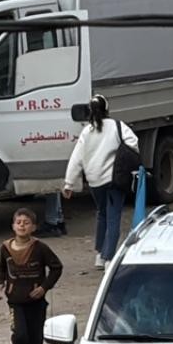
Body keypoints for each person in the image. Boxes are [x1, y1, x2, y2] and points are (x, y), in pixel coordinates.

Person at [63, 94, 139, 269]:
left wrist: (69, 183)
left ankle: (99, 254)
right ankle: (109, 257)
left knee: (102, 214)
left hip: (95, 182)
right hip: (114, 180)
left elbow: (76, 158)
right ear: (107, 109)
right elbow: (133, 143)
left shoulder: (86, 131)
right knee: (114, 217)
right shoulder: (117, 126)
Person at [0, 209, 63, 344]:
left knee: (35, 342)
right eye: (19, 222)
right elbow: (1, 267)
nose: (22, 225)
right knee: (19, 334)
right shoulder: (5, 248)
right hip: (15, 301)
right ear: (13, 225)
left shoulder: (40, 248)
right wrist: (0, 283)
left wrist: (44, 287)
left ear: (33, 227)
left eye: (26, 222)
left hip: (36, 303)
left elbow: (56, 268)